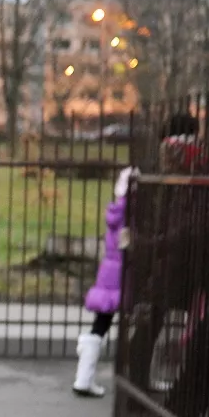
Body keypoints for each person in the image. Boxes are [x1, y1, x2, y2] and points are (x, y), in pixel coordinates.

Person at [74, 166, 134, 397]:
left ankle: (83, 377)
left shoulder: (117, 210)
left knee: (101, 323)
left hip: (109, 272)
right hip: (124, 273)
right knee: (142, 318)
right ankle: (135, 378)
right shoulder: (132, 214)